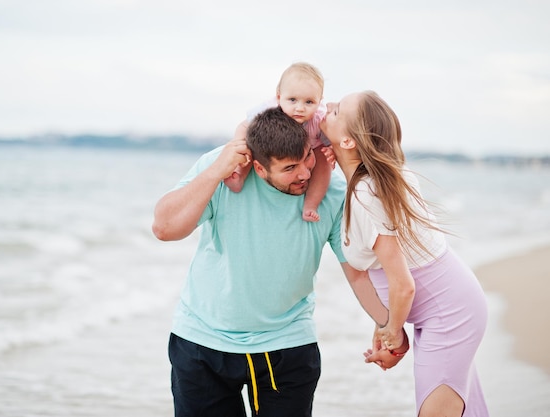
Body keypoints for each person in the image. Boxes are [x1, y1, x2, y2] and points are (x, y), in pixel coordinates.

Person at [152, 107, 352, 417]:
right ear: (259, 168)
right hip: (203, 341)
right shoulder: (222, 168)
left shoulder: (332, 190)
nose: (304, 174)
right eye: (289, 168)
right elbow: (164, 229)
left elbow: (358, 271)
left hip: (286, 344)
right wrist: (216, 172)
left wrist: (388, 324)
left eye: (307, 159)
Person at [320, 90, 489, 417]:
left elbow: (403, 285)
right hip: (445, 311)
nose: (327, 107)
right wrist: (387, 325)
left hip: (450, 316)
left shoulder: (368, 194)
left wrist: (391, 331)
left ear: (349, 142)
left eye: (337, 110)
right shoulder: (375, 181)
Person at [224, 62, 333, 222]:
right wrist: (239, 145)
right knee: (252, 146)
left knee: (324, 163)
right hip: (273, 148)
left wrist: (331, 150)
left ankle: (311, 205)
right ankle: (239, 177)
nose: (300, 108)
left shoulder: (319, 118)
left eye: (309, 102)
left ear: (319, 101)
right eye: (292, 100)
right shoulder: (269, 109)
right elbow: (244, 126)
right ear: (279, 96)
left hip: (310, 146)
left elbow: (332, 140)